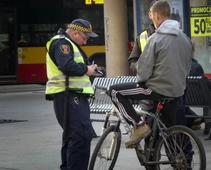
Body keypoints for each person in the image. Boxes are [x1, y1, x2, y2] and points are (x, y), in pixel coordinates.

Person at [109, 0, 193, 147]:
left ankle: (139, 126)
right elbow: (187, 66)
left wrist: (142, 77)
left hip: (156, 90)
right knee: (172, 130)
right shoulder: (184, 38)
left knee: (115, 91)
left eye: (152, 16)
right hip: (176, 91)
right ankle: (180, 160)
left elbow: (143, 72)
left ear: (156, 15)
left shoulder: (155, 38)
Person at [45, 18, 98, 170]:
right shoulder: (62, 43)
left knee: (73, 136)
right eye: (85, 38)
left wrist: (89, 68)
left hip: (72, 95)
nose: (86, 42)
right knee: (81, 135)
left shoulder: (69, 43)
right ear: (76, 33)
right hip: (68, 94)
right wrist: (86, 69)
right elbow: (66, 65)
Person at [185, 45, 211, 134]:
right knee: (208, 99)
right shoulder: (196, 66)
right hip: (201, 100)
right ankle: (208, 127)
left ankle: (190, 121)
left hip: (185, 99)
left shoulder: (179, 65)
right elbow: (210, 86)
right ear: (192, 53)